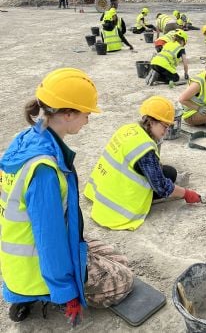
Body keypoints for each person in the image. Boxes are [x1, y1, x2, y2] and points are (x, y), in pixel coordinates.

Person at [0, 68, 133, 325]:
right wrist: (67, 294)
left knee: (117, 258)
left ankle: (26, 294)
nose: (87, 120)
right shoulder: (44, 171)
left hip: (22, 256)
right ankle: (42, 293)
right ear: (68, 114)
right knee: (124, 279)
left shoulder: (29, 137)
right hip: (36, 266)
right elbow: (49, 241)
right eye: (86, 114)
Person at [84, 96, 202, 231]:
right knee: (168, 177)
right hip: (120, 204)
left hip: (104, 187)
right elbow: (162, 187)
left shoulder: (128, 129)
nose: (166, 131)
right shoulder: (145, 151)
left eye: (169, 126)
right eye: (164, 126)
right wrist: (186, 193)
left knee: (169, 172)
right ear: (151, 121)